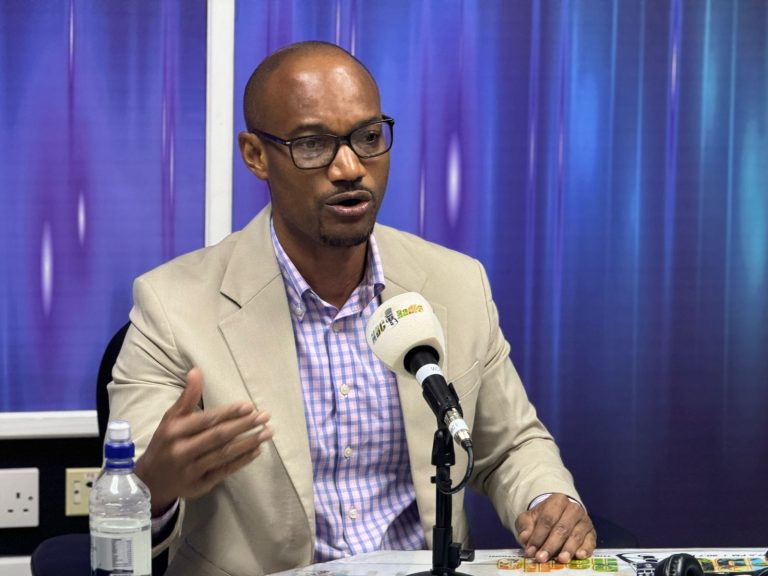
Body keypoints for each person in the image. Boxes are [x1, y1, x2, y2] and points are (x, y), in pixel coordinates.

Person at [109, 40, 596, 576]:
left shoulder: (457, 284)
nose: (350, 168)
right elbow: (123, 515)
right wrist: (153, 489)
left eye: (367, 138)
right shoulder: (172, 306)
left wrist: (547, 501)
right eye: (313, 145)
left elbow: (510, 447)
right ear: (255, 155)